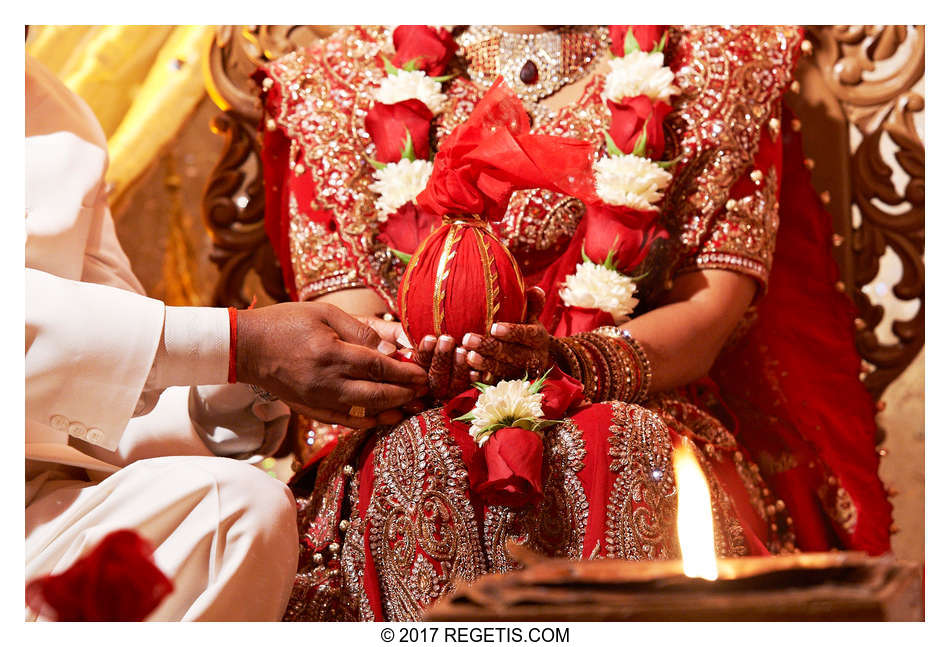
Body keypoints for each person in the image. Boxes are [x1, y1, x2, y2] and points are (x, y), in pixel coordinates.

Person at [256, 25, 894, 621]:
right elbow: (344, 322)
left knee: (617, 442)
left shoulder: (721, 59)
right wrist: (426, 360)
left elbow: (709, 311)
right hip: (406, 409)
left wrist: (573, 364)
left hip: (644, 396)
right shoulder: (332, 83)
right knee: (423, 454)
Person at [25, 53, 427, 621]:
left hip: (34, 505)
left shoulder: (53, 112)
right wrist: (240, 345)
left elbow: (85, 378)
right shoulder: (328, 82)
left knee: (233, 514)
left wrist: (210, 404)